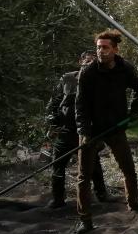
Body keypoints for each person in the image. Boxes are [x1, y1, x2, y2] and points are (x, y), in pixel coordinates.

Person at [74, 29, 138, 234]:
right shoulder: (87, 72)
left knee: (128, 169)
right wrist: (84, 131)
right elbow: (80, 105)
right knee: (83, 177)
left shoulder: (125, 69)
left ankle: (133, 204)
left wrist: (134, 112)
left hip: (116, 127)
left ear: (115, 49)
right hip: (91, 128)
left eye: (105, 47)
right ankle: (85, 220)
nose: (101, 51)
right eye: (98, 47)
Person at [45, 50, 109, 208]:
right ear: (80, 62)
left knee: (94, 165)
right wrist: (52, 119)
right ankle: (57, 199)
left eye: (92, 63)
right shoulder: (67, 79)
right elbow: (54, 101)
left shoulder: (101, 81)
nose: (89, 64)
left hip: (87, 131)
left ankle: (102, 195)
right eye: (86, 61)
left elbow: (106, 107)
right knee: (58, 165)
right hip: (65, 130)